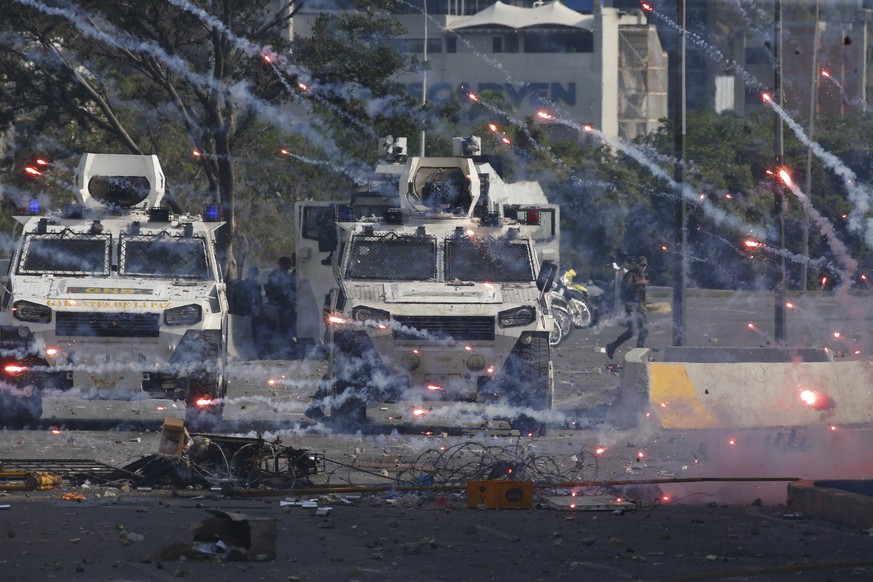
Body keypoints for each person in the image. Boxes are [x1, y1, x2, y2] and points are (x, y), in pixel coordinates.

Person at [606, 255, 649, 359]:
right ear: (637, 265)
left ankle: (639, 351)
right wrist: (638, 283)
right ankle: (612, 346)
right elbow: (625, 287)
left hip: (639, 304)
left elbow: (642, 292)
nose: (643, 267)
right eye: (641, 265)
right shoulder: (630, 274)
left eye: (645, 266)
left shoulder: (642, 275)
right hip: (631, 304)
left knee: (644, 329)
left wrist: (644, 304)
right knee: (632, 331)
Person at [265, 255, 297, 357]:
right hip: (278, 305)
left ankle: (288, 345)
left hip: (285, 305)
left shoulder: (285, 276)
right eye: (287, 265)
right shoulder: (276, 275)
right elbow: (272, 291)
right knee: (285, 324)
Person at [234, 266, 270, 358]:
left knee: (267, 327)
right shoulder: (242, 285)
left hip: (255, 314)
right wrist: (251, 308)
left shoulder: (256, 286)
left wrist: (259, 311)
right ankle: (255, 352)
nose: (254, 276)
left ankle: (261, 351)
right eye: (253, 273)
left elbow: (259, 301)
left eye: (255, 274)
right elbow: (238, 301)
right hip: (244, 314)